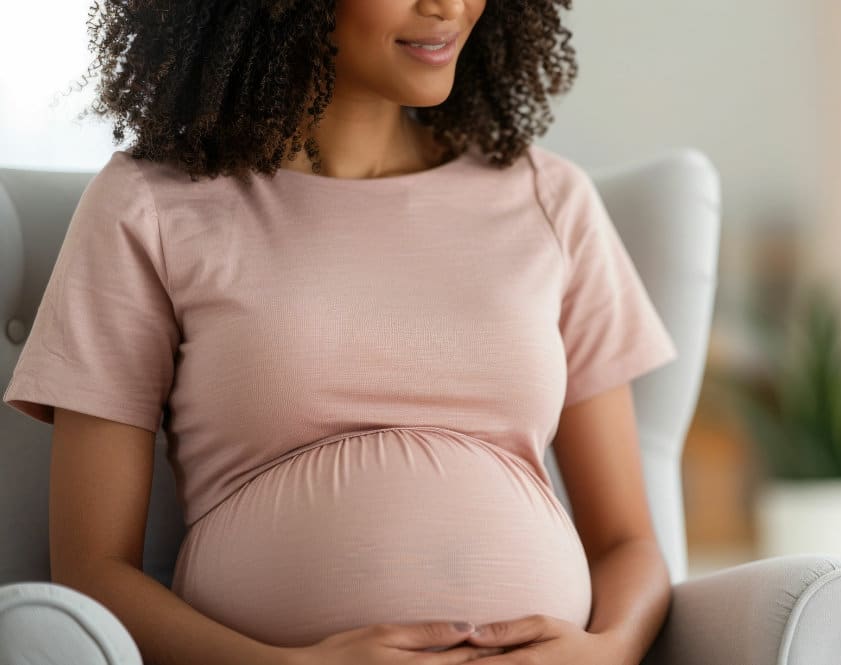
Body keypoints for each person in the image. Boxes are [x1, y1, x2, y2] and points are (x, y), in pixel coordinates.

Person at [2, 0, 679, 663]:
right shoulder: (149, 204)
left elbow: (628, 542)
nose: (448, 6)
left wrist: (607, 651)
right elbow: (92, 570)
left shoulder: (550, 199)